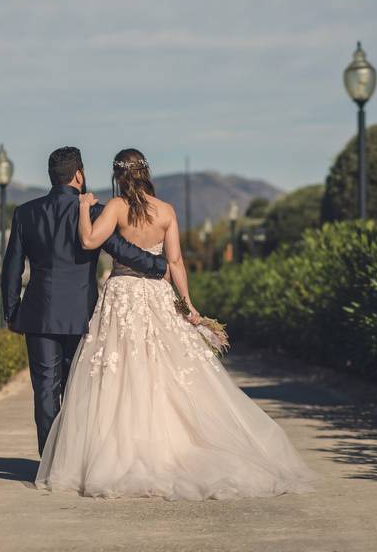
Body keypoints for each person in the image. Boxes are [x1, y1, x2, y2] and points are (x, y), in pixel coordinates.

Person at [34, 148, 316, 500]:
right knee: (164, 371)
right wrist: (189, 305)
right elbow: (176, 261)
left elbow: (90, 240)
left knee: (119, 375)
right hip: (156, 295)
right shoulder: (166, 211)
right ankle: (169, 447)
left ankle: (121, 451)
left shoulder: (116, 207)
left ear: (118, 175)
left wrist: (81, 208)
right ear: (146, 172)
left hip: (122, 294)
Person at [1, 147, 169, 456]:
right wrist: (159, 266)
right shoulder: (92, 210)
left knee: (45, 391)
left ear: (54, 176)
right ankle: (73, 458)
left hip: (38, 314)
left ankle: (49, 460)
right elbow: (122, 249)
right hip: (81, 314)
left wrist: (11, 311)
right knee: (78, 389)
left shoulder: (25, 212)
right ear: (79, 174)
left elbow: (12, 266)